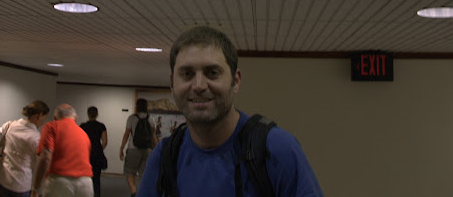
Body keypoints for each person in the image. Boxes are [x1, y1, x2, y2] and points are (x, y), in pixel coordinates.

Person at [137, 25, 324, 196]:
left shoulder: (277, 150)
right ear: (172, 84)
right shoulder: (164, 157)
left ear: (236, 81)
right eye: (187, 74)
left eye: (212, 73)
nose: (199, 85)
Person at [0, 99, 50, 197]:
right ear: (39, 115)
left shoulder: (10, 125)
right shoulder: (36, 138)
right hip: (21, 186)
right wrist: (36, 189)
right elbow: (40, 164)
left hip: (2, 180)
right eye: (44, 118)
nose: (43, 122)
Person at [32, 104, 93, 197]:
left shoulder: (51, 127)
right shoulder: (84, 134)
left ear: (55, 117)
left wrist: (36, 188)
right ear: (75, 118)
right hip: (86, 183)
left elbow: (45, 157)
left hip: (60, 182)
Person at [119, 98, 158, 197]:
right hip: (147, 150)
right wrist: (157, 150)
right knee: (144, 173)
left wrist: (121, 148)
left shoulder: (132, 118)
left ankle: (134, 192)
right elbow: (153, 136)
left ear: (137, 106)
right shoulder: (151, 119)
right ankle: (142, 192)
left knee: (129, 171)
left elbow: (127, 134)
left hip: (133, 149)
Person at [80, 106, 108, 197]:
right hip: (97, 153)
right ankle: (96, 194)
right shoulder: (101, 126)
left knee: (85, 176)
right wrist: (99, 149)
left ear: (88, 114)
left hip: (86, 153)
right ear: (97, 114)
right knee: (96, 176)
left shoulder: (83, 126)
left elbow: (79, 141)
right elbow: (105, 141)